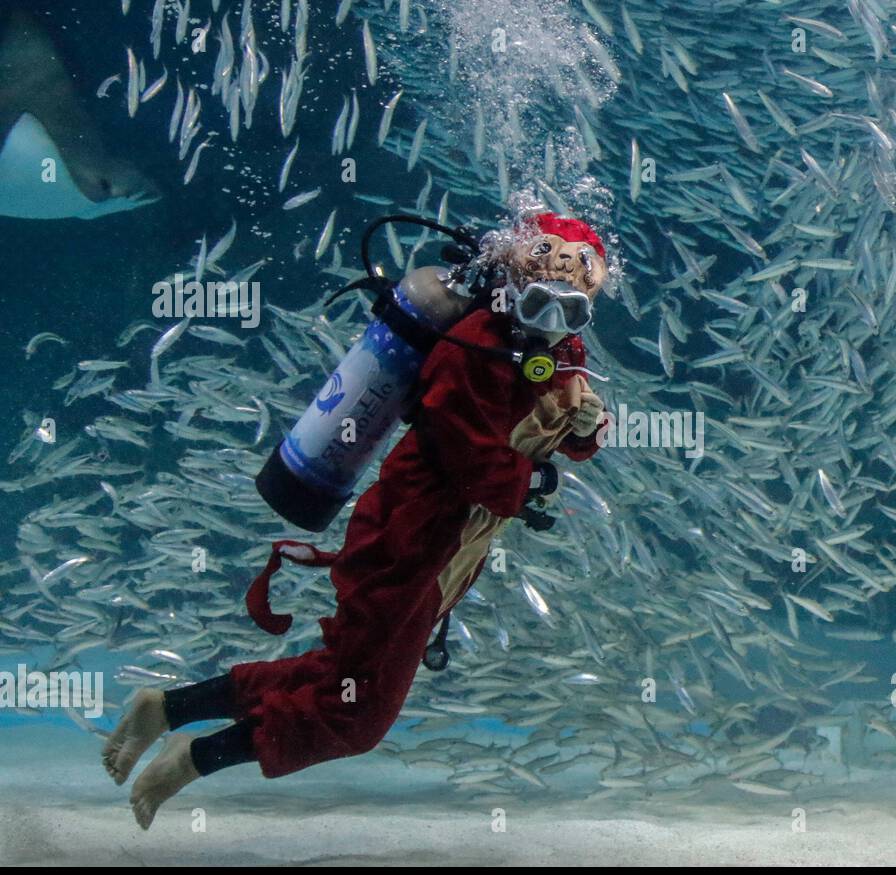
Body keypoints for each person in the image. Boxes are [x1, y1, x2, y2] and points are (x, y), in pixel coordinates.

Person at [102, 212, 609, 830]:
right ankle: (194, 757)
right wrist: (534, 480)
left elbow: (555, 420)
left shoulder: (551, 346)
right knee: (357, 715)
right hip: (405, 541)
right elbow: (470, 456)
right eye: (545, 291)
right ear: (516, 276)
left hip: (450, 551)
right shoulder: (477, 342)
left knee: (337, 673)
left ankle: (167, 708)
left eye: (576, 302)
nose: (559, 314)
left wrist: (584, 435)